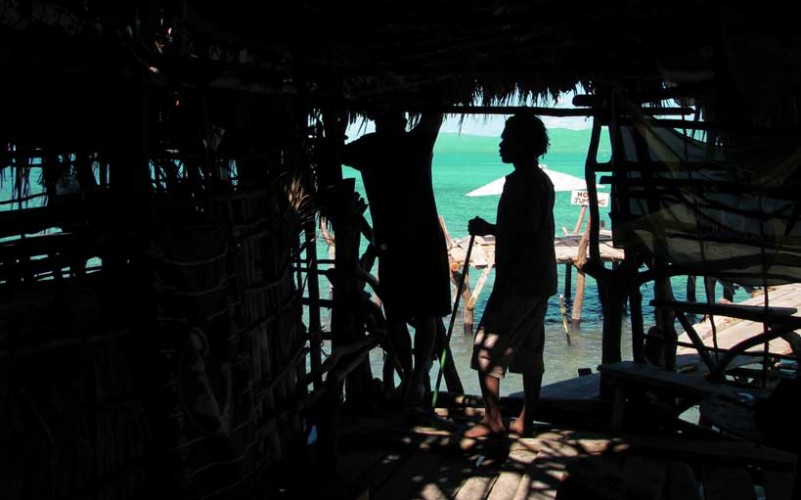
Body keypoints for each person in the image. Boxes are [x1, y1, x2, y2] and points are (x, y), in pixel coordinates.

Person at [341, 106, 452, 408]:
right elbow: (435, 110)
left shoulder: (370, 147)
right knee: (421, 314)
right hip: (423, 240)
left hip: (396, 243)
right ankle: (416, 379)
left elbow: (330, 153)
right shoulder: (415, 141)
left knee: (398, 315)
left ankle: (413, 379)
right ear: (402, 120)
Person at [464, 111, 557, 437]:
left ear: (521, 143)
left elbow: (524, 230)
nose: (501, 145)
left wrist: (488, 228)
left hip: (519, 280)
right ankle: (525, 419)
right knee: (531, 349)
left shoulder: (523, 182)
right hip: (540, 279)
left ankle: (493, 420)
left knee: (486, 348)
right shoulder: (541, 179)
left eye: (506, 140)